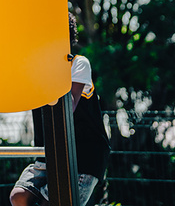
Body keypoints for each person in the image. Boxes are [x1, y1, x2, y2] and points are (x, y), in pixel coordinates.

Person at [10, 13, 111, 206]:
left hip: (83, 155)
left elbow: (68, 106)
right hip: (49, 153)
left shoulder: (78, 64)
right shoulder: (36, 69)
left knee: (57, 201)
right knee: (19, 196)